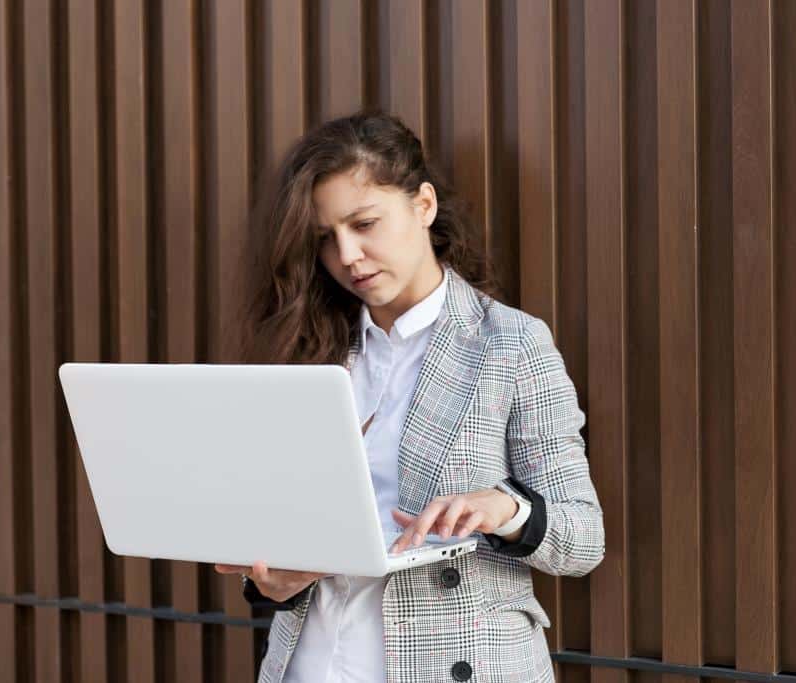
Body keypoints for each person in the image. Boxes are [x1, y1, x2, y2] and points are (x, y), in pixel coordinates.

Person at [214, 109, 604, 683]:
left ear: (423, 206)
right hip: (311, 663)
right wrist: (271, 576)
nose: (347, 256)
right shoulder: (310, 352)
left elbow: (582, 538)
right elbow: (280, 519)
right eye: (326, 238)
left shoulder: (511, 344)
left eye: (364, 224)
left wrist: (504, 509)